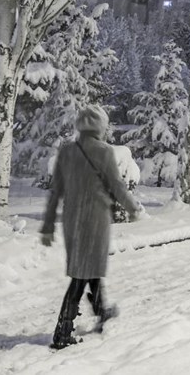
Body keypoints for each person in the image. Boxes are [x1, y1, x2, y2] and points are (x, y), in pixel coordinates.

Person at [41, 104, 140, 350]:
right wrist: (132, 207)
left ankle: (101, 310)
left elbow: (55, 192)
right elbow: (116, 185)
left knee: (88, 268)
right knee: (81, 275)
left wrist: (47, 225)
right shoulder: (104, 151)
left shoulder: (66, 151)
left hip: (73, 221)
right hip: (95, 220)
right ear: (100, 126)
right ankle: (63, 331)